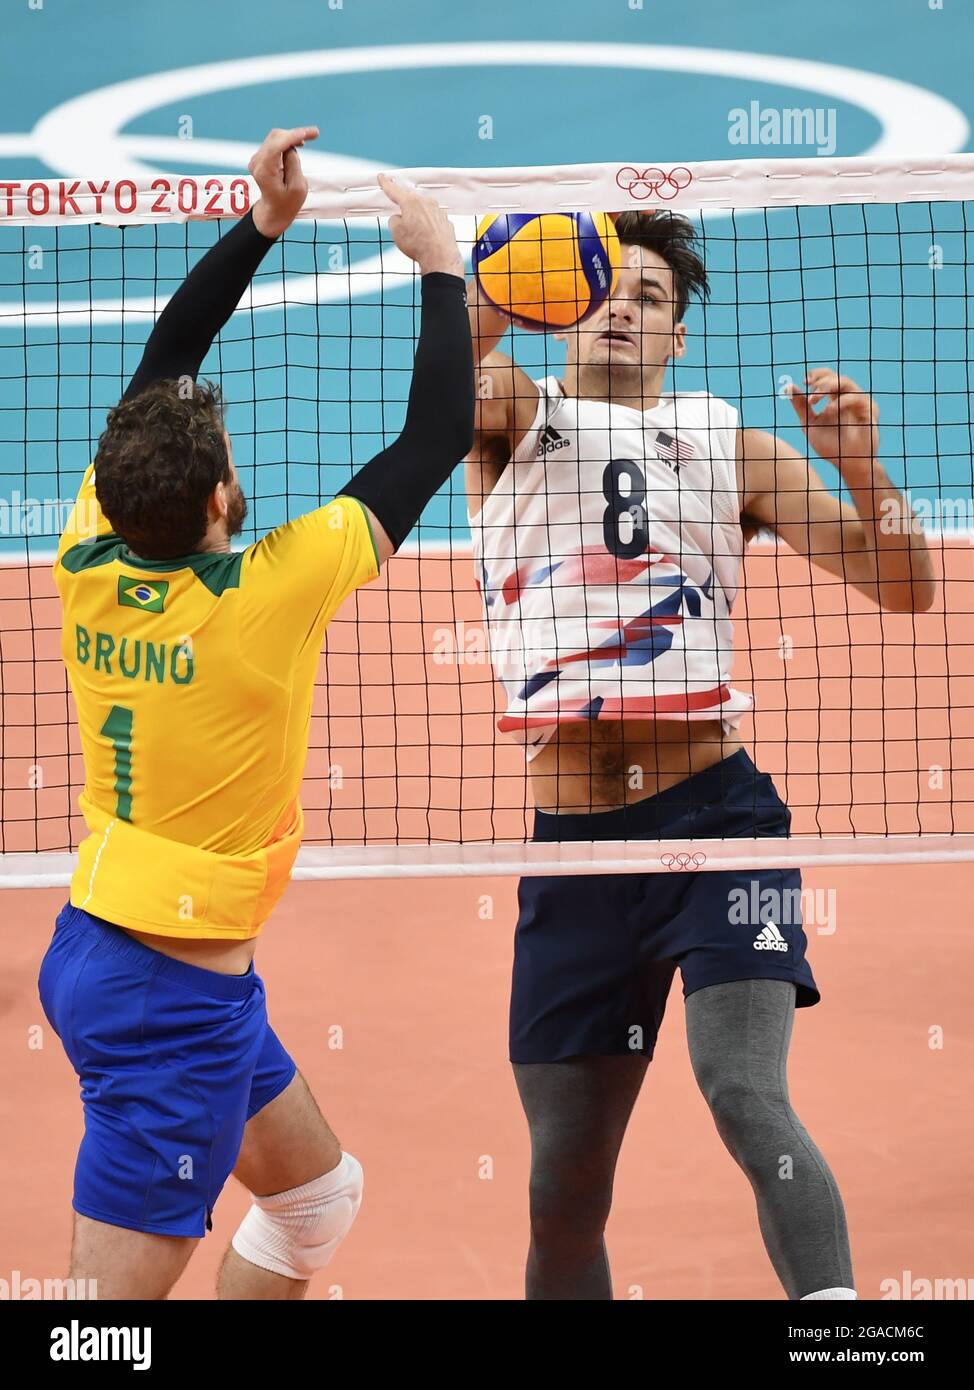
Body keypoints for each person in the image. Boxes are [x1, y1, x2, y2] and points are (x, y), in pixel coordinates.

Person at [465, 208, 934, 1300]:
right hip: (575, 857)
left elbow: (905, 585)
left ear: (677, 337)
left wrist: (865, 474)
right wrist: (485, 293)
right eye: (606, 287)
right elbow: (453, 379)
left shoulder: (730, 445)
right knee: (562, 1186)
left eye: (654, 298)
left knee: (743, 1095)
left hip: (714, 826)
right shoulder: (512, 415)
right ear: (566, 309)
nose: (626, 305)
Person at [39, 126, 472, 1300]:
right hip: (161, 1003)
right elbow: (437, 437)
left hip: (127, 954)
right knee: (98, 1329)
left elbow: (165, 362)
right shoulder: (262, 594)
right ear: (226, 494)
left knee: (317, 1199)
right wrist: (440, 261)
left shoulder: (88, 548)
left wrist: (262, 226)